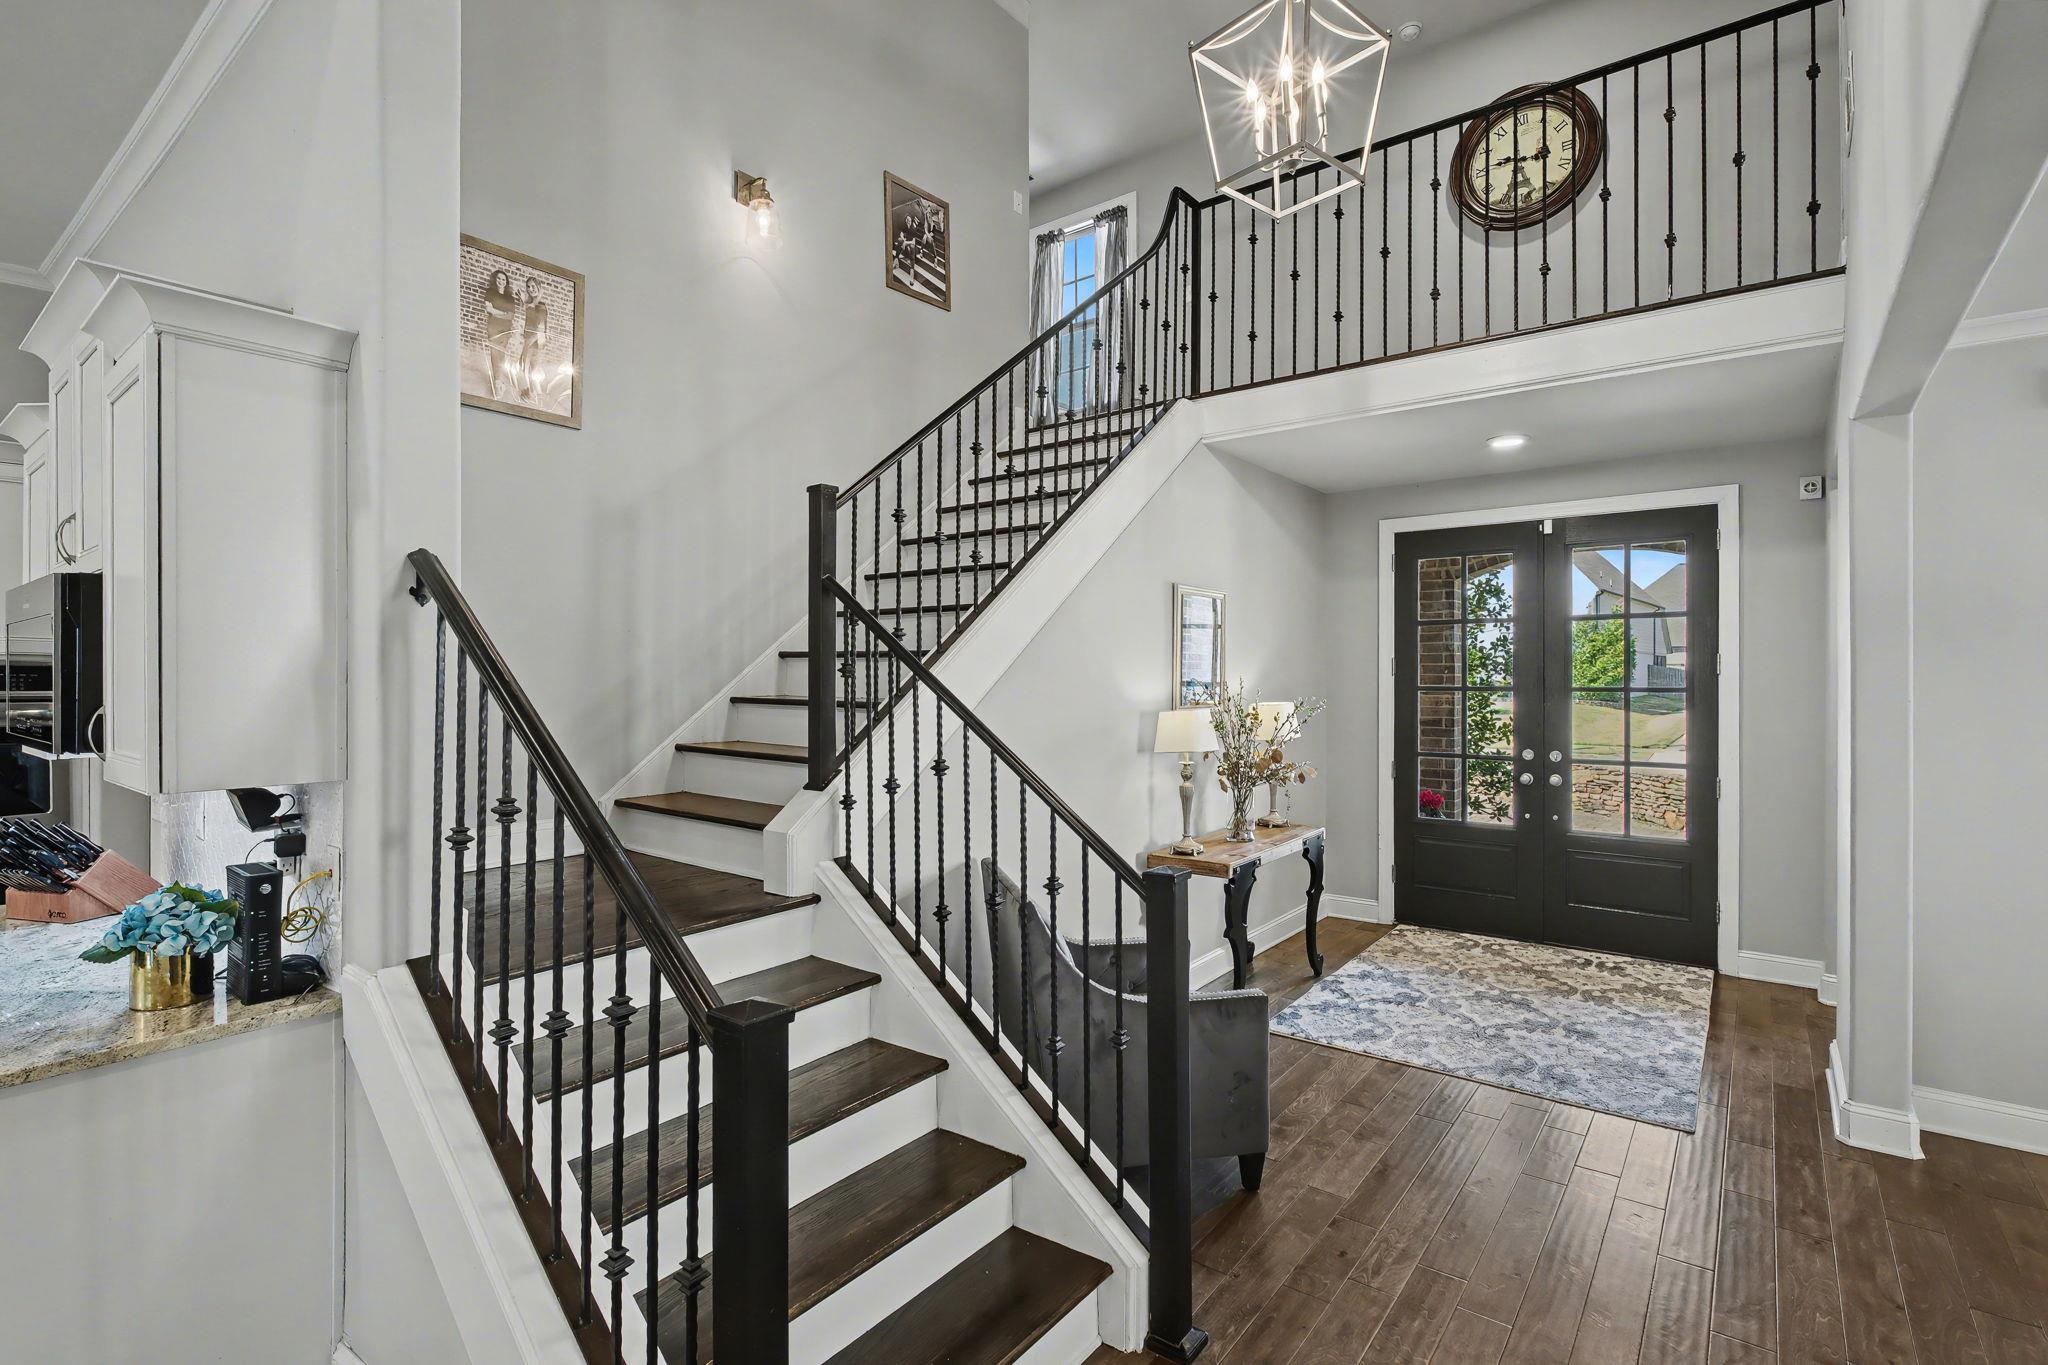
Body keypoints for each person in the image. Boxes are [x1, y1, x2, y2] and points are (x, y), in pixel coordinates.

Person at [482, 268, 521, 399]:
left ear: (506, 282)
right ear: (495, 279)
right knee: (494, 352)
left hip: (506, 328)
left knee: (501, 354)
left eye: (503, 279)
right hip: (493, 326)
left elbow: (511, 316)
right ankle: (498, 383)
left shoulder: (510, 298)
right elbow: (488, 308)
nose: (501, 281)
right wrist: (502, 313)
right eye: (499, 278)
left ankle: (499, 379)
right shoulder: (490, 292)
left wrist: (496, 311)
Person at [517, 276, 550, 403]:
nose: (530, 289)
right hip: (530, 340)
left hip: (535, 341)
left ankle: (533, 395)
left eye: (533, 286)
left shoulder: (541, 306)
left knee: (527, 367)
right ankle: (535, 394)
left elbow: (540, 329)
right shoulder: (533, 303)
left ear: (538, 287)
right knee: (531, 368)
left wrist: (527, 345)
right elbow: (528, 308)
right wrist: (525, 300)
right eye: (528, 287)